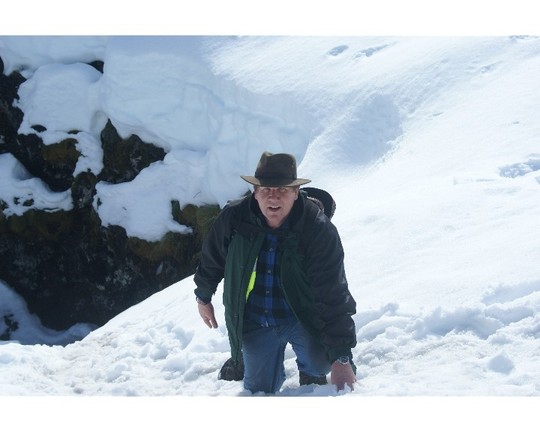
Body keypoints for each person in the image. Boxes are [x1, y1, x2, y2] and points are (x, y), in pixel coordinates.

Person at [193, 151, 357, 394]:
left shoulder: (317, 229)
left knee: (321, 363)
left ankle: (309, 370)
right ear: (254, 192)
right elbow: (212, 257)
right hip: (256, 320)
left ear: (296, 192)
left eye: (282, 189)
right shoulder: (235, 218)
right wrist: (203, 296)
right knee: (259, 391)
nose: (273, 197)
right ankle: (244, 361)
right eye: (266, 189)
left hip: (302, 316)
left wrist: (341, 358)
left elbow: (333, 292)